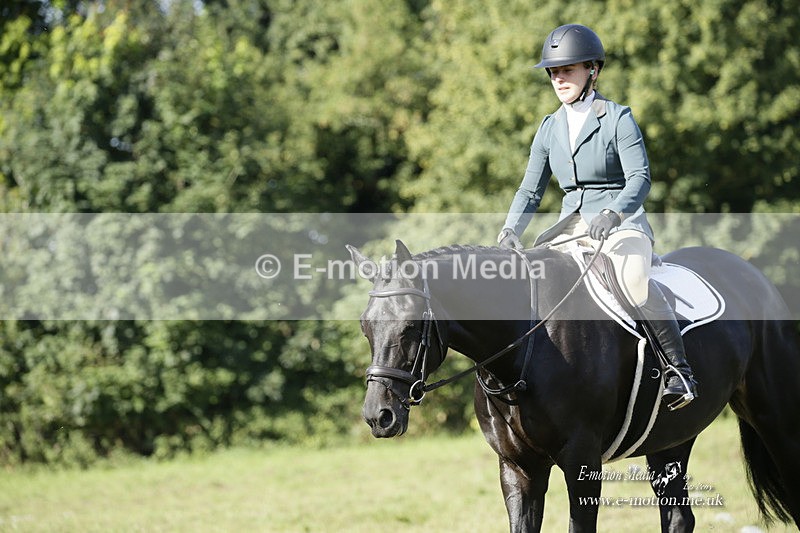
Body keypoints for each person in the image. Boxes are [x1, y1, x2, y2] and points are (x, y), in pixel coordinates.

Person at [496, 24, 698, 410]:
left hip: (621, 222)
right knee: (533, 284)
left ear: (592, 69)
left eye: (567, 69)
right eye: (554, 72)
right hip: (569, 226)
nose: (559, 78)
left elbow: (640, 177)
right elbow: (530, 190)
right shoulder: (549, 128)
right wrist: (510, 230)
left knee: (635, 282)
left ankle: (679, 371)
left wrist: (614, 211)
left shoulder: (618, 118)